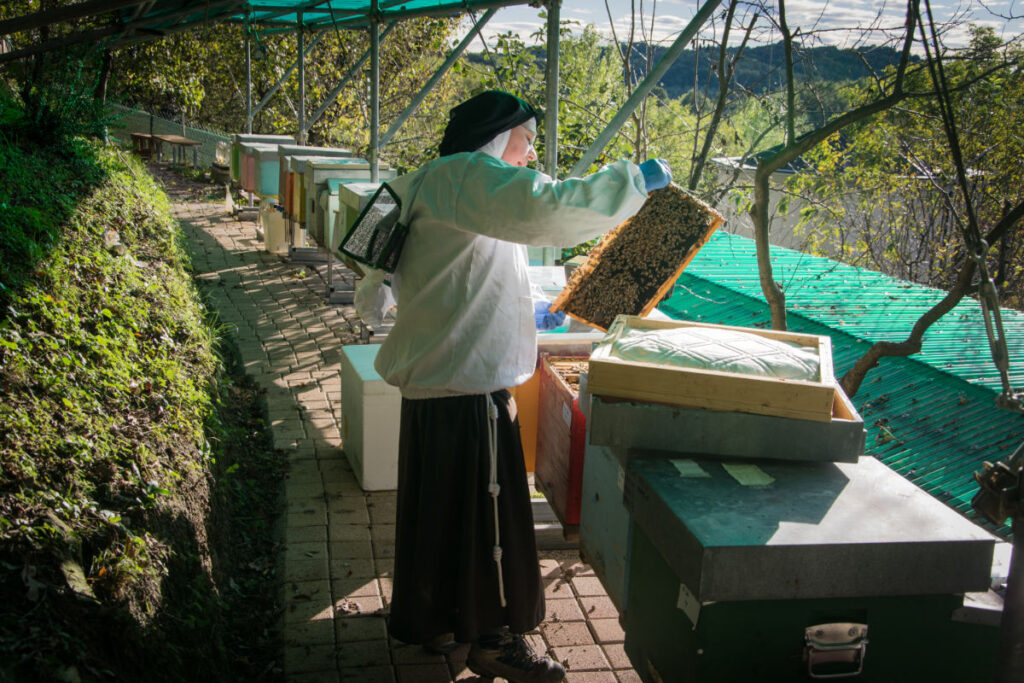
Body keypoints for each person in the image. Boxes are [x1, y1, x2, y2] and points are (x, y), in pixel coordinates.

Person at [371, 90, 671, 683]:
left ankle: (434, 617)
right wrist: (634, 180)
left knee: (440, 510)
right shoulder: (468, 176)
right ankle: (493, 639)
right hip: (468, 385)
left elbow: (460, 267)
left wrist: (533, 305)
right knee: (488, 519)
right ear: (493, 135)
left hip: (439, 379)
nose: (532, 149)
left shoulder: (433, 181)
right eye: (526, 136)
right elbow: (550, 210)